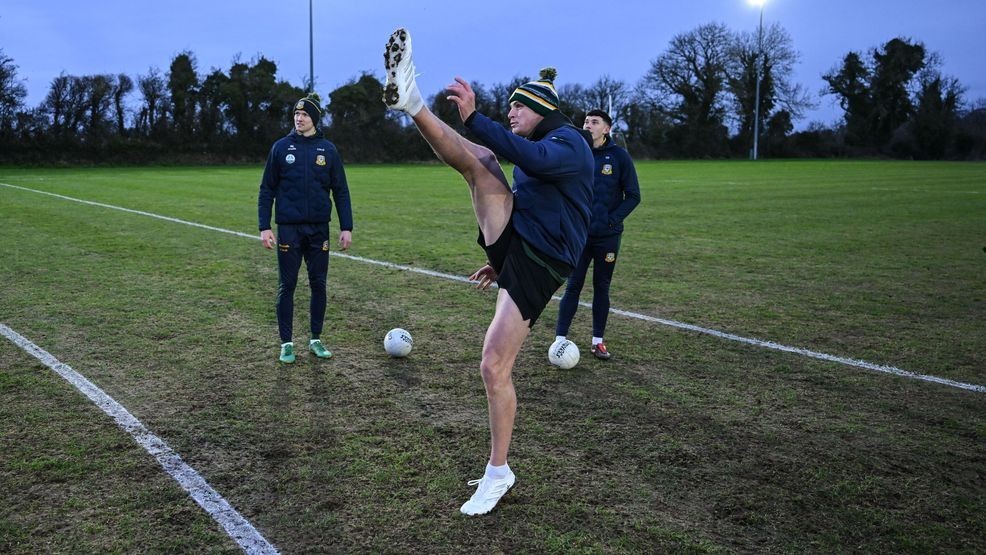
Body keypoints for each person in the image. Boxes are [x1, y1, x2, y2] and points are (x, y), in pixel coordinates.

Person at [382, 28, 593, 515]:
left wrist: (477, 117)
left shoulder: (569, 142)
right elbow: (533, 194)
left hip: (542, 263)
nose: (512, 112)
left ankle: (500, 472)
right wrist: (501, 263)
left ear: (541, 107)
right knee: (480, 162)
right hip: (521, 247)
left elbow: (533, 160)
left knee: (493, 365)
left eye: (519, 106)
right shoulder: (549, 141)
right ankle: (412, 102)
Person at [258, 93, 353, 363]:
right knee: (286, 285)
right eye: (296, 115)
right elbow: (267, 190)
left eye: (305, 115)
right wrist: (264, 226)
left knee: (318, 284)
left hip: (319, 230)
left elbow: (341, 191)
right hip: (288, 229)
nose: (299, 118)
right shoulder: (280, 148)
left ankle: (315, 339)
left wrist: (347, 227)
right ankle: (286, 343)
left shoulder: (328, 150)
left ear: (315, 119)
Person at [554, 109, 641, 360]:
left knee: (601, 287)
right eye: (585, 121)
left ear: (607, 129)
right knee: (573, 286)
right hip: (579, 235)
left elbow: (633, 196)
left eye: (594, 122)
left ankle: (597, 341)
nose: (588, 125)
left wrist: (611, 221)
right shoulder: (577, 154)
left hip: (607, 237)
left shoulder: (619, 157)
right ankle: (560, 339)